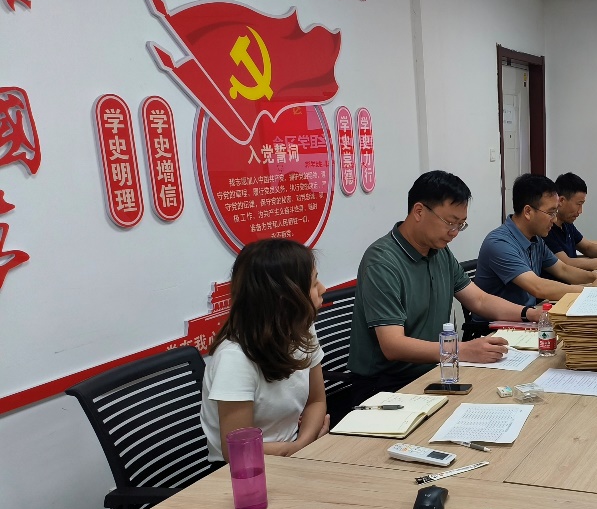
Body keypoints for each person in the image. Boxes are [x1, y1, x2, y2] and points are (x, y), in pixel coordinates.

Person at [348, 170, 534, 393]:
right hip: (388, 385)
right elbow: (393, 345)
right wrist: (462, 350)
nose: (454, 233)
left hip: (436, 371)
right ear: (419, 211)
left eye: (461, 225)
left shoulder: (439, 252)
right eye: (450, 222)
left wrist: (531, 314)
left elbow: (479, 300)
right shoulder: (382, 261)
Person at [200, 238, 330, 462]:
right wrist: (299, 448)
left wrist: (302, 444)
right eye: (314, 283)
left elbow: (316, 401)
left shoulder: (301, 327)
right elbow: (237, 450)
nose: (323, 289)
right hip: (244, 470)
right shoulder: (234, 358)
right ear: (285, 298)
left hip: (294, 452)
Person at [475, 173, 597, 315]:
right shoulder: (500, 243)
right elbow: (538, 287)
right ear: (528, 212)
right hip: (496, 324)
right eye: (551, 213)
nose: (554, 219)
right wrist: (591, 290)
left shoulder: (536, 240)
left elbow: (563, 270)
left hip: (527, 316)